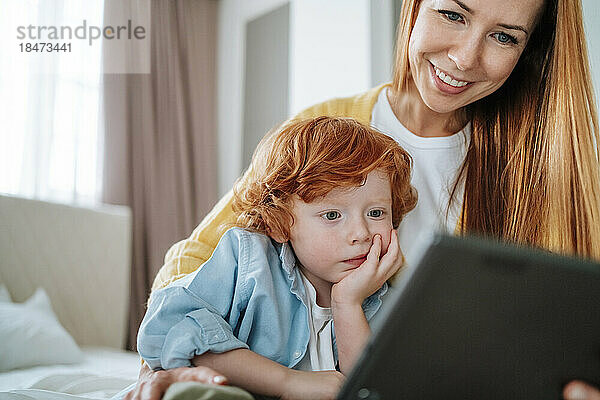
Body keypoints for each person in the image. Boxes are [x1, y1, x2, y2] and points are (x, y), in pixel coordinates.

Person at [125, 0, 600, 399]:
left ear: (528, 51)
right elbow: (197, 261)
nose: (464, 57)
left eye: (504, 37)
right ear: (414, 6)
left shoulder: (543, 174)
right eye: (454, 14)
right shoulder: (323, 132)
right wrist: (161, 363)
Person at [135, 117, 417, 400]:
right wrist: (287, 382)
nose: (361, 233)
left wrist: (348, 303)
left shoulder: (383, 296)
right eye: (332, 215)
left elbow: (371, 390)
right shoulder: (248, 259)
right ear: (280, 222)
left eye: (376, 213)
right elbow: (170, 327)